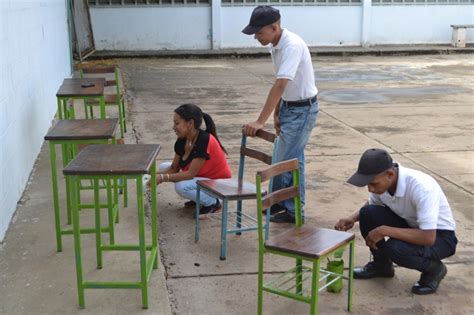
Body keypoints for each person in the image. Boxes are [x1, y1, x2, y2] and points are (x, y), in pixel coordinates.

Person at [335, 148, 457, 295]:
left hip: (440, 237)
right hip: (411, 225)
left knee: (396, 248)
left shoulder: (421, 188)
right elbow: (371, 205)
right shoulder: (385, 184)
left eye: (373, 183)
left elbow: (428, 237)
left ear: (390, 174)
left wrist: (385, 230)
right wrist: (352, 218)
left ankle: (434, 269)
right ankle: (382, 266)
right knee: (367, 213)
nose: (370, 189)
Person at [241, 6, 319, 223]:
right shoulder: (275, 45)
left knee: (284, 161)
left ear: (274, 27)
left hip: (302, 111)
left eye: (259, 33)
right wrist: (278, 112)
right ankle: (287, 208)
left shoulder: (292, 46)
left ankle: (289, 209)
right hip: (290, 107)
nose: (256, 37)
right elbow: (283, 87)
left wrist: (260, 121)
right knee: (293, 161)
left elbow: (280, 84)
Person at [155, 104, 232, 216]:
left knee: (181, 186)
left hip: (219, 184)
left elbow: (190, 174)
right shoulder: (182, 139)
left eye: (177, 123)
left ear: (190, 123)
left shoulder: (204, 140)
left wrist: (162, 178)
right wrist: (151, 175)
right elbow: (173, 168)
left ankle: (213, 203)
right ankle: (199, 198)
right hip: (203, 178)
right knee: (163, 167)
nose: (173, 127)